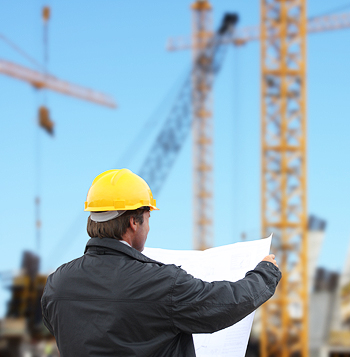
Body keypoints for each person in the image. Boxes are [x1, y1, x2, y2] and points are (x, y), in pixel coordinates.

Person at [41, 169, 281, 357]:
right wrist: (265, 273)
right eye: (148, 218)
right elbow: (223, 303)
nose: (148, 225)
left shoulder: (56, 284)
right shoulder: (162, 283)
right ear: (134, 222)